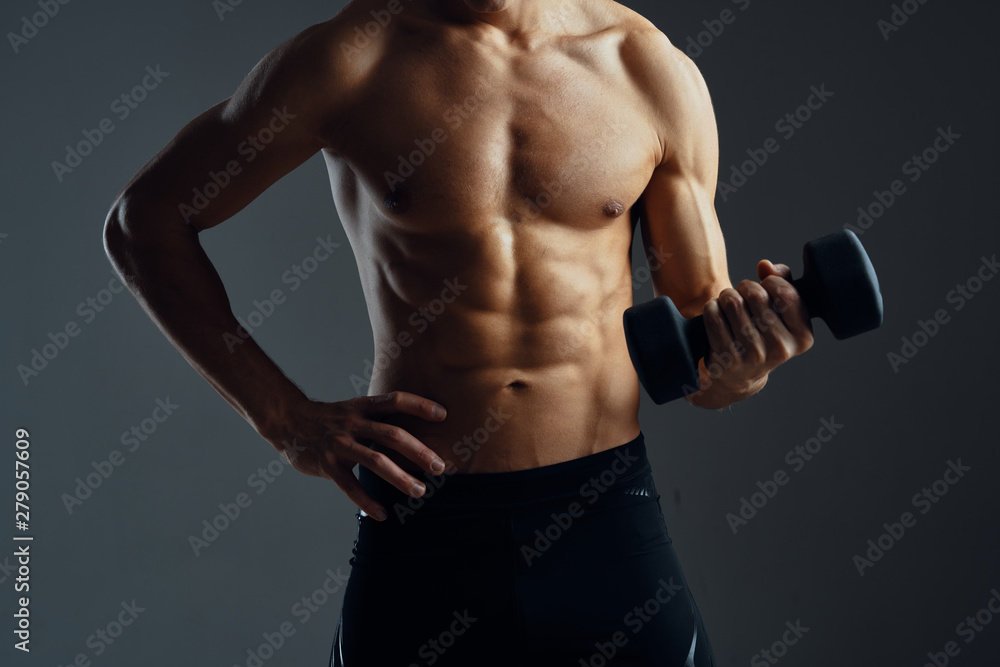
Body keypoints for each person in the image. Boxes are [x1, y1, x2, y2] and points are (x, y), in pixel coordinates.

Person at [103, 0, 814, 664]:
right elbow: (145, 223)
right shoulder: (351, 59)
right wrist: (282, 415)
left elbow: (707, 369)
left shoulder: (645, 69)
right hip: (422, 527)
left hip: (603, 520)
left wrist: (751, 362)